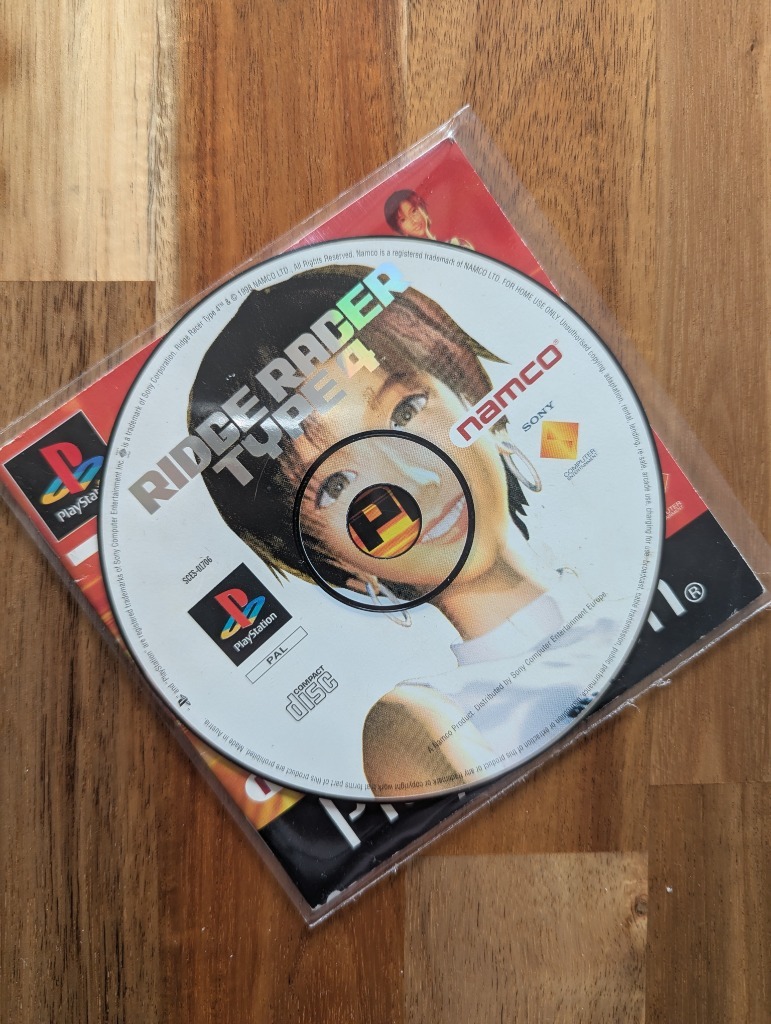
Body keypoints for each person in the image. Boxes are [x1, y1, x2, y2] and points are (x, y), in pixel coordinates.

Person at [190, 265, 618, 796]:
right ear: (335, 563)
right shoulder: (421, 720)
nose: (415, 481)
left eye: (406, 411)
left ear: (469, 394)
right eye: (336, 485)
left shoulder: (633, 580)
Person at [384, 189, 474, 250]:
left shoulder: (456, 243)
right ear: (400, 229)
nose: (413, 221)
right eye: (403, 220)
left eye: (414, 211)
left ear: (422, 209)